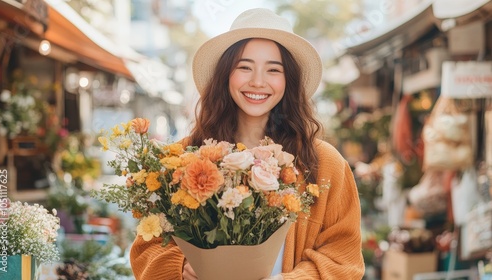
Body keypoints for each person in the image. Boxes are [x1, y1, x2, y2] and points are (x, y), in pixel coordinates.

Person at [130, 8, 365, 280]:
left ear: (288, 80)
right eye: (244, 67)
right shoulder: (185, 158)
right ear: (226, 74)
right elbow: (146, 249)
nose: (257, 81)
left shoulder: (325, 164)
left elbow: (344, 259)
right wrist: (180, 267)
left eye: (273, 70)